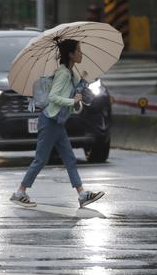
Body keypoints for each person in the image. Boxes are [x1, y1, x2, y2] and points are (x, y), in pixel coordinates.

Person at [10, 39, 105, 208]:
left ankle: (82, 194)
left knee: (70, 159)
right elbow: (53, 97)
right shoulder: (62, 73)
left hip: (57, 123)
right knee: (40, 160)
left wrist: (83, 81)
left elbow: (78, 92)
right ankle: (20, 192)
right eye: (78, 51)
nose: (81, 54)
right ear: (70, 54)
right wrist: (71, 101)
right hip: (49, 121)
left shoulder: (70, 73)